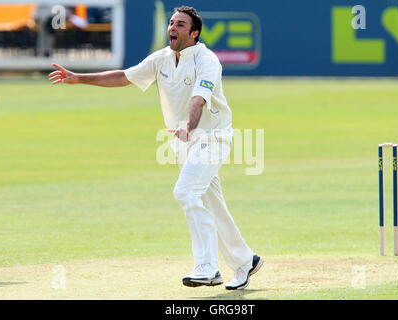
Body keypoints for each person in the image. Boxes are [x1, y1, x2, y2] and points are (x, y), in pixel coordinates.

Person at [48, 6, 263, 290]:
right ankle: (245, 260)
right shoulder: (161, 58)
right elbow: (125, 76)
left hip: (212, 139)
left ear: (194, 33)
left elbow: (199, 99)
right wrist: (79, 78)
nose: (172, 28)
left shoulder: (206, 59)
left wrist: (188, 125)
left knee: (185, 192)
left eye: (180, 25)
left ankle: (208, 267)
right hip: (184, 143)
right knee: (212, 205)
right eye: (171, 23)